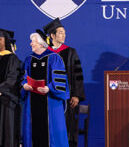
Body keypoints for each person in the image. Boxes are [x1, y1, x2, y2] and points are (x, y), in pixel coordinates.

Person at [21, 30, 69, 147]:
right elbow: (23, 77)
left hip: (50, 102)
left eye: (33, 42)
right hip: (32, 102)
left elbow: (60, 81)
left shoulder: (54, 58)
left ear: (41, 43)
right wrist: (24, 84)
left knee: (51, 134)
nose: (31, 44)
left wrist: (49, 88)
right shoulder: (28, 59)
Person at [43, 18, 85, 147]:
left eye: (64, 32)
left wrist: (76, 95)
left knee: (67, 127)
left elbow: (78, 75)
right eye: (60, 32)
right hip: (48, 97)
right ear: (52, 35)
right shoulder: (44, 53)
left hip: (67, 97)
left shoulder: (71, 52)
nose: (64, 35)